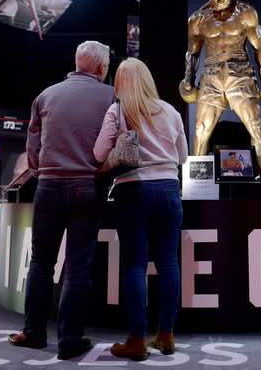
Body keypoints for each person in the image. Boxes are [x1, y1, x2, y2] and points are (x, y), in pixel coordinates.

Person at [8, 40, 114, 360]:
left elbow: (32, 148)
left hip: (49, 185)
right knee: (78, 266)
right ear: (101, 67)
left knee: (40, 262)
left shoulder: (46, 95)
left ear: (78, 62)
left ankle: (34, 332)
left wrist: (44, 172)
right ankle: (70, 340)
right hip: (87, 186)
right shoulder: (111, 97)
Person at [93, 57, 187, 361]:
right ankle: (166, 334)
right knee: (169, 262)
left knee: (135, 265)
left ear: (119, 82)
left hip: (132, 189)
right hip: (170, 189)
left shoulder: (117, 110)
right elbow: (183, 156)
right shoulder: (171, 111)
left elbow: (97, 153)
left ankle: (136, 339)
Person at [179, 0, 261, 195]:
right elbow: (193, 52)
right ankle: (194, 187)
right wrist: (188, 79)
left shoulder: (246, 13)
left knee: (255, 125)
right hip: (211, 75)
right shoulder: (197, 19)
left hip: (239, 73)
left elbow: (260, 46)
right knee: (201, 129)